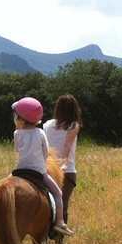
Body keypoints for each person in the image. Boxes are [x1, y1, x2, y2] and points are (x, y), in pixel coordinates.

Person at [11, 97, 74, 236]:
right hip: (39, 171)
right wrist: (41, 161)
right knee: (58, 193)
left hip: (19, 170)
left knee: (2, 186)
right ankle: (60, 222)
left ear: (19, 118)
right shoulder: (40, 133)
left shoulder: (17, 133)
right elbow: (46, 151)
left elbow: (17, 150)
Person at [42, 94, 82, 225]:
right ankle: (60, 234)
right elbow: (67, 145)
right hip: (67, 170)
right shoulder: (73, 125)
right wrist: (63, 161)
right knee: (63, 204)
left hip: (48, 168)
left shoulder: (47, 124)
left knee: (47, 204)